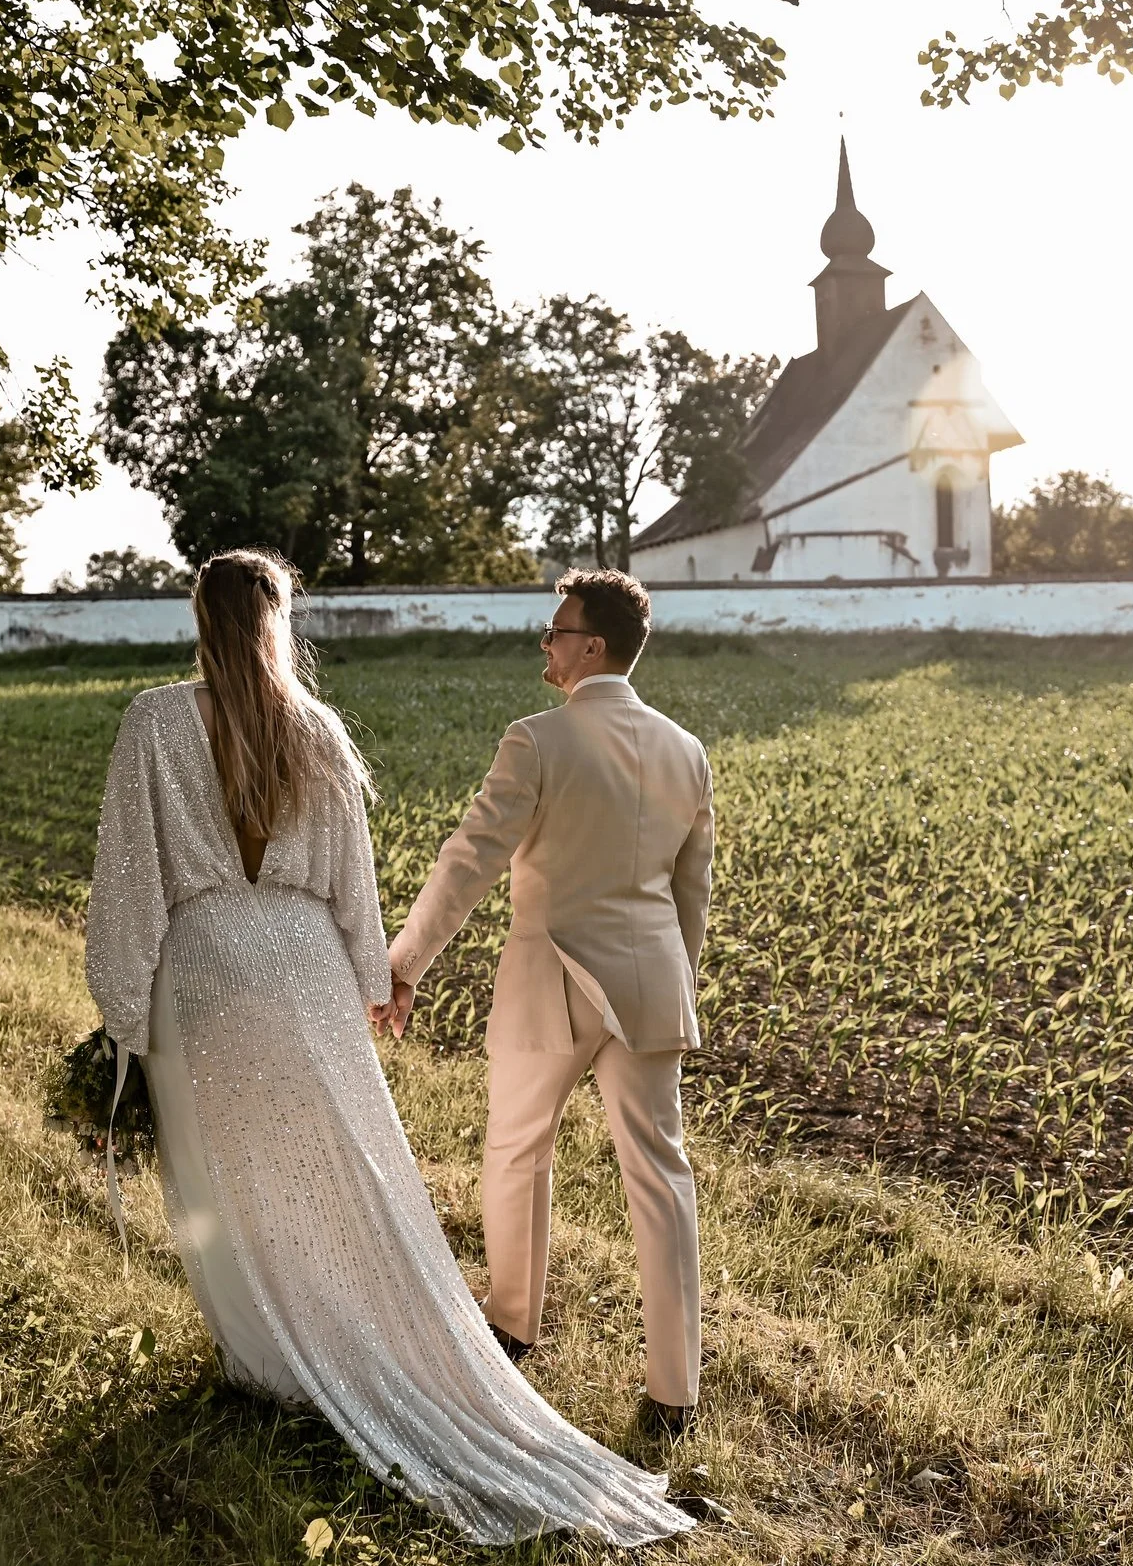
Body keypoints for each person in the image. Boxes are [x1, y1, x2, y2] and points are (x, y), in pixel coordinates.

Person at [82, 548, 691, 1547]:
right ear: (282, 619)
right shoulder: (317, 728)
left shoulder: (153, 721)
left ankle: (268, 1363)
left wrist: (122, 1010)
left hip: (205, 966)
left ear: (200, 616)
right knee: (334, 1173)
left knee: (229, 1178)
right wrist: (373, 980)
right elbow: (350, 878)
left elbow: (132, 871)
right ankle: (356, 1341)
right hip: (309, 966)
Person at [385, 568, 714, 1440]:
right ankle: (674, 1390)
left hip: (551, 979)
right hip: (648, 982)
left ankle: (512, 1324)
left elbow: (470, 858)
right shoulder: (687, 750)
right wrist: (673, 980)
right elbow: (692, 896)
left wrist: (405, 961)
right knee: (660, 1173)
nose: (547, 642)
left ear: (592, 646)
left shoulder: (536, 740)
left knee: (517, 1149)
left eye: (556, 630)